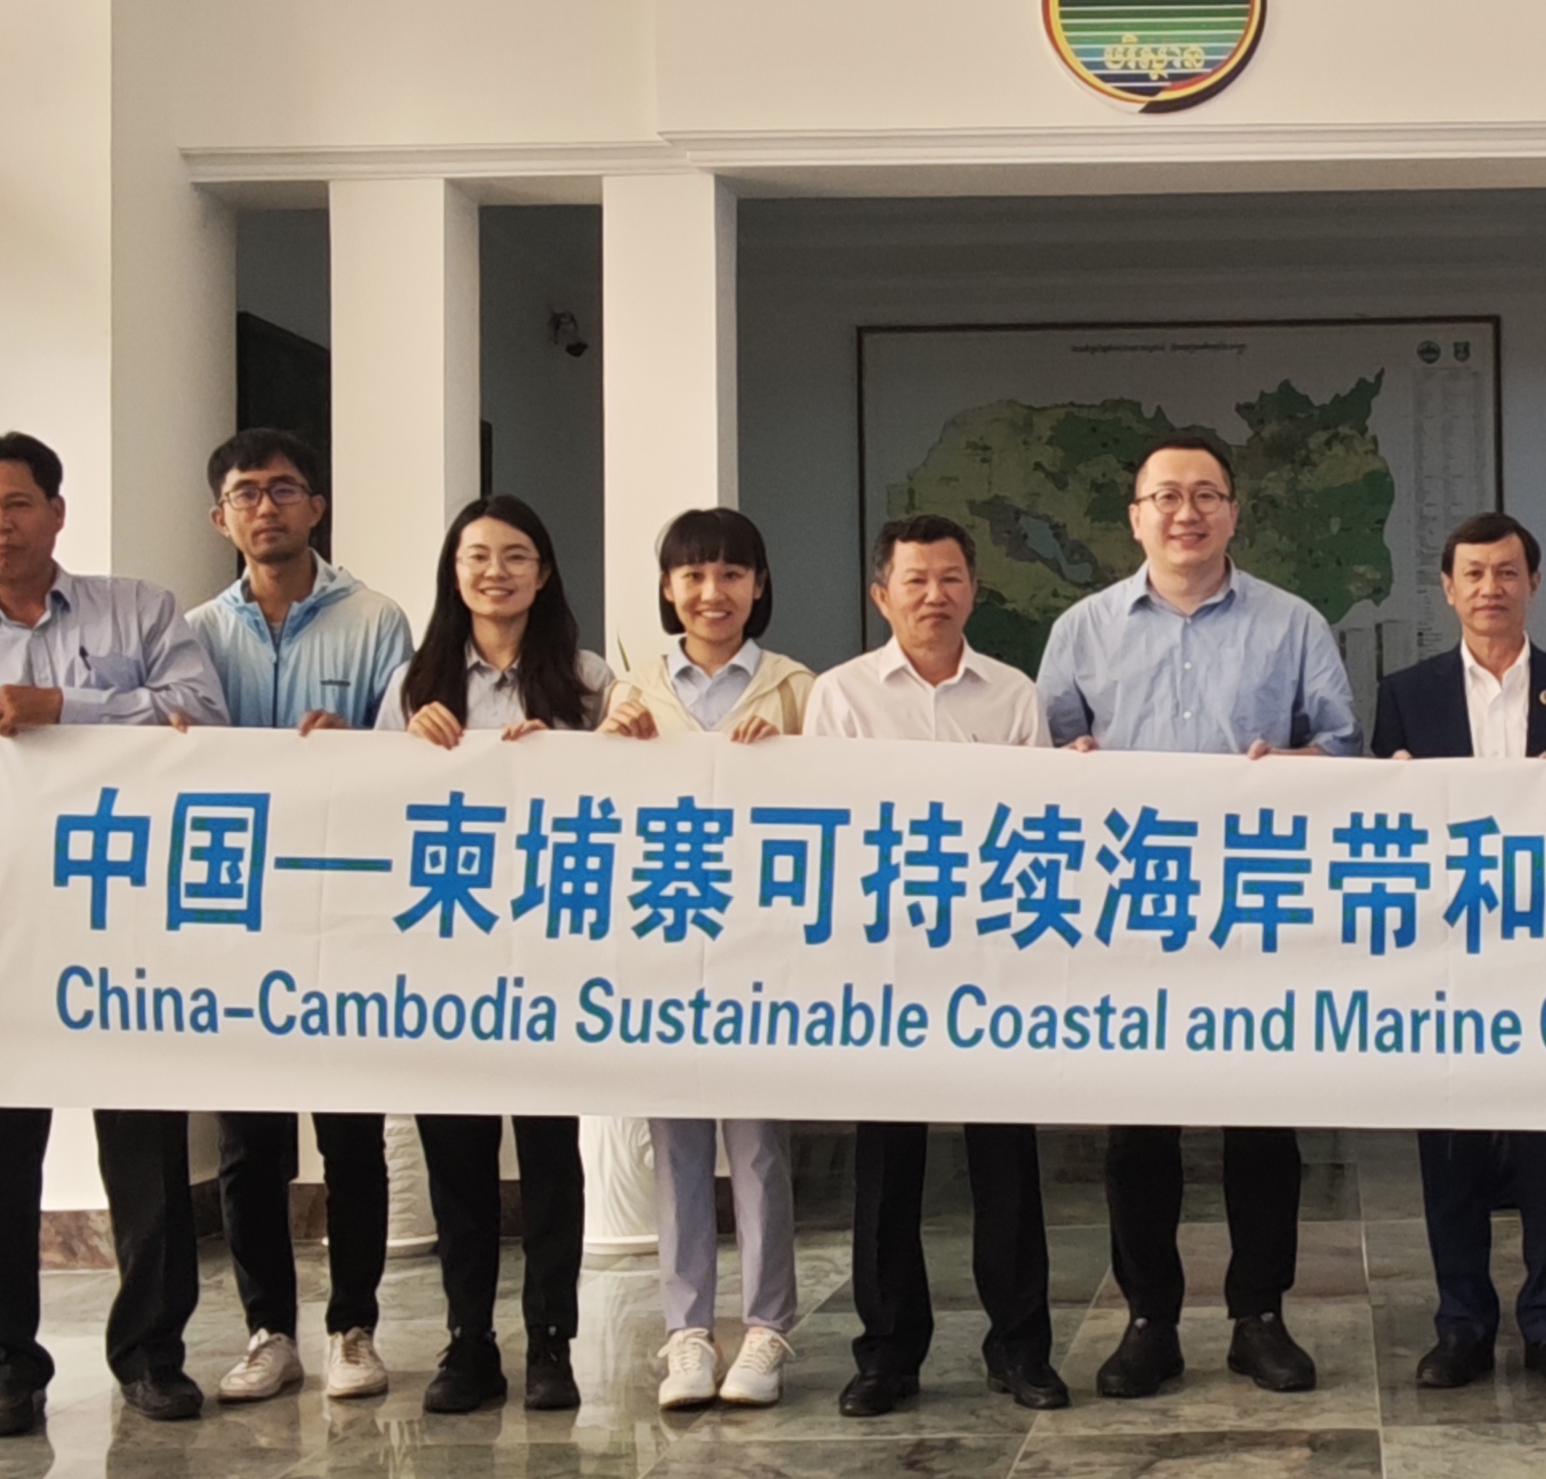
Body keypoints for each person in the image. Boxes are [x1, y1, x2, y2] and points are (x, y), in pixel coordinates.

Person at [0, 429, 225, 1438]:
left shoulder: (141, 611)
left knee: (146, 1150)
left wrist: (68, 707)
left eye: (18, 503)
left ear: (57, 512)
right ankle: (3, 1372)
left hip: (129, 921)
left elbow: (201, 717)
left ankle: (152, 1356)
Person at [1034, 433, 1363, 1399]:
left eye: (1207, 495)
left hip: (1257, 906)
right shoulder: (1081, 630)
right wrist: (1068, 769)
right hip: (1130, 911)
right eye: (1166, 496)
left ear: (1233, 513)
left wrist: (1293, 767)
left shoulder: (1293, 624)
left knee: (1262, 1123)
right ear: (1135, 517)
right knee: (1139, 1132)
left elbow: (1344, 747)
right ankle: (1150, 1321)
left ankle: (1259, 1317)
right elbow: (1042, 762)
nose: (1187, 512)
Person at [804, 512, 1069, 1419]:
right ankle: (887, 1353)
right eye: (915, 580)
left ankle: (1021, 1349)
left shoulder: (1013, 695)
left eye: (951, 578)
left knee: (1006, 1162)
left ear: (974, 590)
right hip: (884, 960)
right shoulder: (839, 697)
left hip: (991, 957)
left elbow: (1041, 825)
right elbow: (829, 823)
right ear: (881, 595)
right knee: (887, 1166)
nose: (934, 595)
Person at [1374, 509, 1546, 1391]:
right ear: (1448, 590)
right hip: (1444, 959)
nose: (1492, 588)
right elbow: (1379, 831)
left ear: (1534, 583)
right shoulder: (1407, 695)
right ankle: (1462, 1325)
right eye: (1474, 574)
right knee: (1449, 1148)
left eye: (1508, 572)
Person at [184, 427, 415, 1405]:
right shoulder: (193, 633)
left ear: (316, 507)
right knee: (249, 1142)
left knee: (351, 1135)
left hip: (342, 906)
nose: (266, 507)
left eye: (284, 490)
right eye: (247, 493)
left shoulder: (376, 620)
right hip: (237, 912)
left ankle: (353, 1326)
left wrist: (353, 747)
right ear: (220, 517)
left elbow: (409, 754)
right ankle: (268, 1330)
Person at [386, 493, 619, 1416]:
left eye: (516, 555)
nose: (496, 572)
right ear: (453, 573)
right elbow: (370, 804)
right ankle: (468, 1341)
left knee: (552, 1156)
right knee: (457, 1157)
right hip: (447, 955)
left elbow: (629, 796)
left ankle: (551, 1341)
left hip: (551, 954)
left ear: (544, 571)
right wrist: (407, 748)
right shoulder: (414, 682)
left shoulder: (587, 678)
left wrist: (571, 753)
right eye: (477, 556)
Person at [615, 504, 814, 1410]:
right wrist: (609, 751)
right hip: (664, 946)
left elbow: (838, 800)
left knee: (759, 1145)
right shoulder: (631, 691)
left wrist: (789, 758)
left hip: (760, 951)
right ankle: (687, 1332)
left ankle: (767, 1329)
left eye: (732, 573)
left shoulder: (795, 688)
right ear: (668, 588)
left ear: (759, 585)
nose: (712, 591)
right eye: (693, 575)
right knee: (677, 1144)